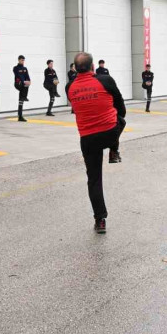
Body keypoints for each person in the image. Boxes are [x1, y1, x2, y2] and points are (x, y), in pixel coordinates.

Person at [66, 52, 126, 234]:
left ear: (75, 69)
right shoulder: (106, 80)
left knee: (94, 180)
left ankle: (100, 220)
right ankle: (114, 151)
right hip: (109, 132)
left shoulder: (69, 87)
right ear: (93, 67)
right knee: (121, 120)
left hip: (88, 138)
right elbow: (121, 106)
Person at [14, 55, 30, 122]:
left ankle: (20, 116)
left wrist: (29, 81)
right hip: (18, 83)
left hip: (23, 84)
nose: (23, 61)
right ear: (19, 60)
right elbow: (18, 75)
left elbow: (27, 76)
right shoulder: (15, 68)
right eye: (21, 60)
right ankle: (24, 96)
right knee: (24, 84)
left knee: (21, 100)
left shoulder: (25, 68)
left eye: (23, 60)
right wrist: (24, 81)